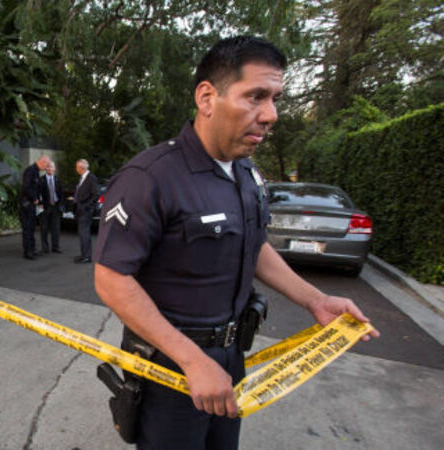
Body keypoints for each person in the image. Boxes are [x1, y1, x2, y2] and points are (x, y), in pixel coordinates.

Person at [93, 35, 380, 450]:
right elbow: (111, 278)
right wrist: (192, 360)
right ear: (207, 98)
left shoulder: (247, 175)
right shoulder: (150, 177)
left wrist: (315, 300)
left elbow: (255, 246)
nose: (271, 115)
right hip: (170, 367)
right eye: (256, 97)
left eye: (275, 99)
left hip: (231, 357)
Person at [20, 154, 50, 260]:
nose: (46, 168)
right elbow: (26, 187)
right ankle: (28, 252)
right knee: (27, 229)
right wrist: (35, 199)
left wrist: (39, 201)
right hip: (27, 204)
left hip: (32, 204)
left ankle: (32, 249)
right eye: (46, 165)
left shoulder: (36, 171)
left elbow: (36, 188)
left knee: (32, 228)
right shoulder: (30, 171)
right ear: (42, 162)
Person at [74, 158, 99, 263]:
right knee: (83, 233)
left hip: (86, 211)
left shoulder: (91, 178)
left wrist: (86, 206)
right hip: (80, 210)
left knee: (84, 233)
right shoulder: (82, 178)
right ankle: (84, 255)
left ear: (81, 168)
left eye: (77, 167)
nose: (76, 169)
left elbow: (96, 194)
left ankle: (86, 257)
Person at [38, 161, 63, 254]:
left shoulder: (57, 180)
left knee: (56, 228)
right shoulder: (41, 180)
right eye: (47, 167)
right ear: (45, 168)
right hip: (45, 207)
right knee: (44, 228)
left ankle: (55, 247)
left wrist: (60, 205)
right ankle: (45, 248)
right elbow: (38, 193)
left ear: (54, 168)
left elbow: (61, 193)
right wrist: (40, 204)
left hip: (55, 206)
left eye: (51, 167)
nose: (49, 168)